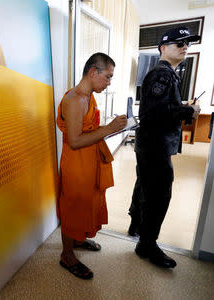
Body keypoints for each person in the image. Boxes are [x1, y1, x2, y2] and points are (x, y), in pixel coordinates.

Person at [127, 26, 201, 268]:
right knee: (159, 196)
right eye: (179, 44)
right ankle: (147, 244)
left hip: (152, 146)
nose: (185, 47)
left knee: (148, 189)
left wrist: (182, 106)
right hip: (154, 147)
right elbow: (157, 113)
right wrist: (189, 110)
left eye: (187, 44)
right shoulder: (161, 74)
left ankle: (139, 233)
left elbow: (160, 108)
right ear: (163, 48)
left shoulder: (168, 73)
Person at [57, 52, 127, 279]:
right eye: (107, 77)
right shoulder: (75, 99)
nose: (109, 83)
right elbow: (75, 141)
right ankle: (67, 255)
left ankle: (77, 240)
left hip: (89, 161)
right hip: (76, 164)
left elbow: (89, 130)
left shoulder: (89, 97)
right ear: (93, 72)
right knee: (73, 205)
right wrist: (109, 129)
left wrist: (111, 128)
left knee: (87, 202)